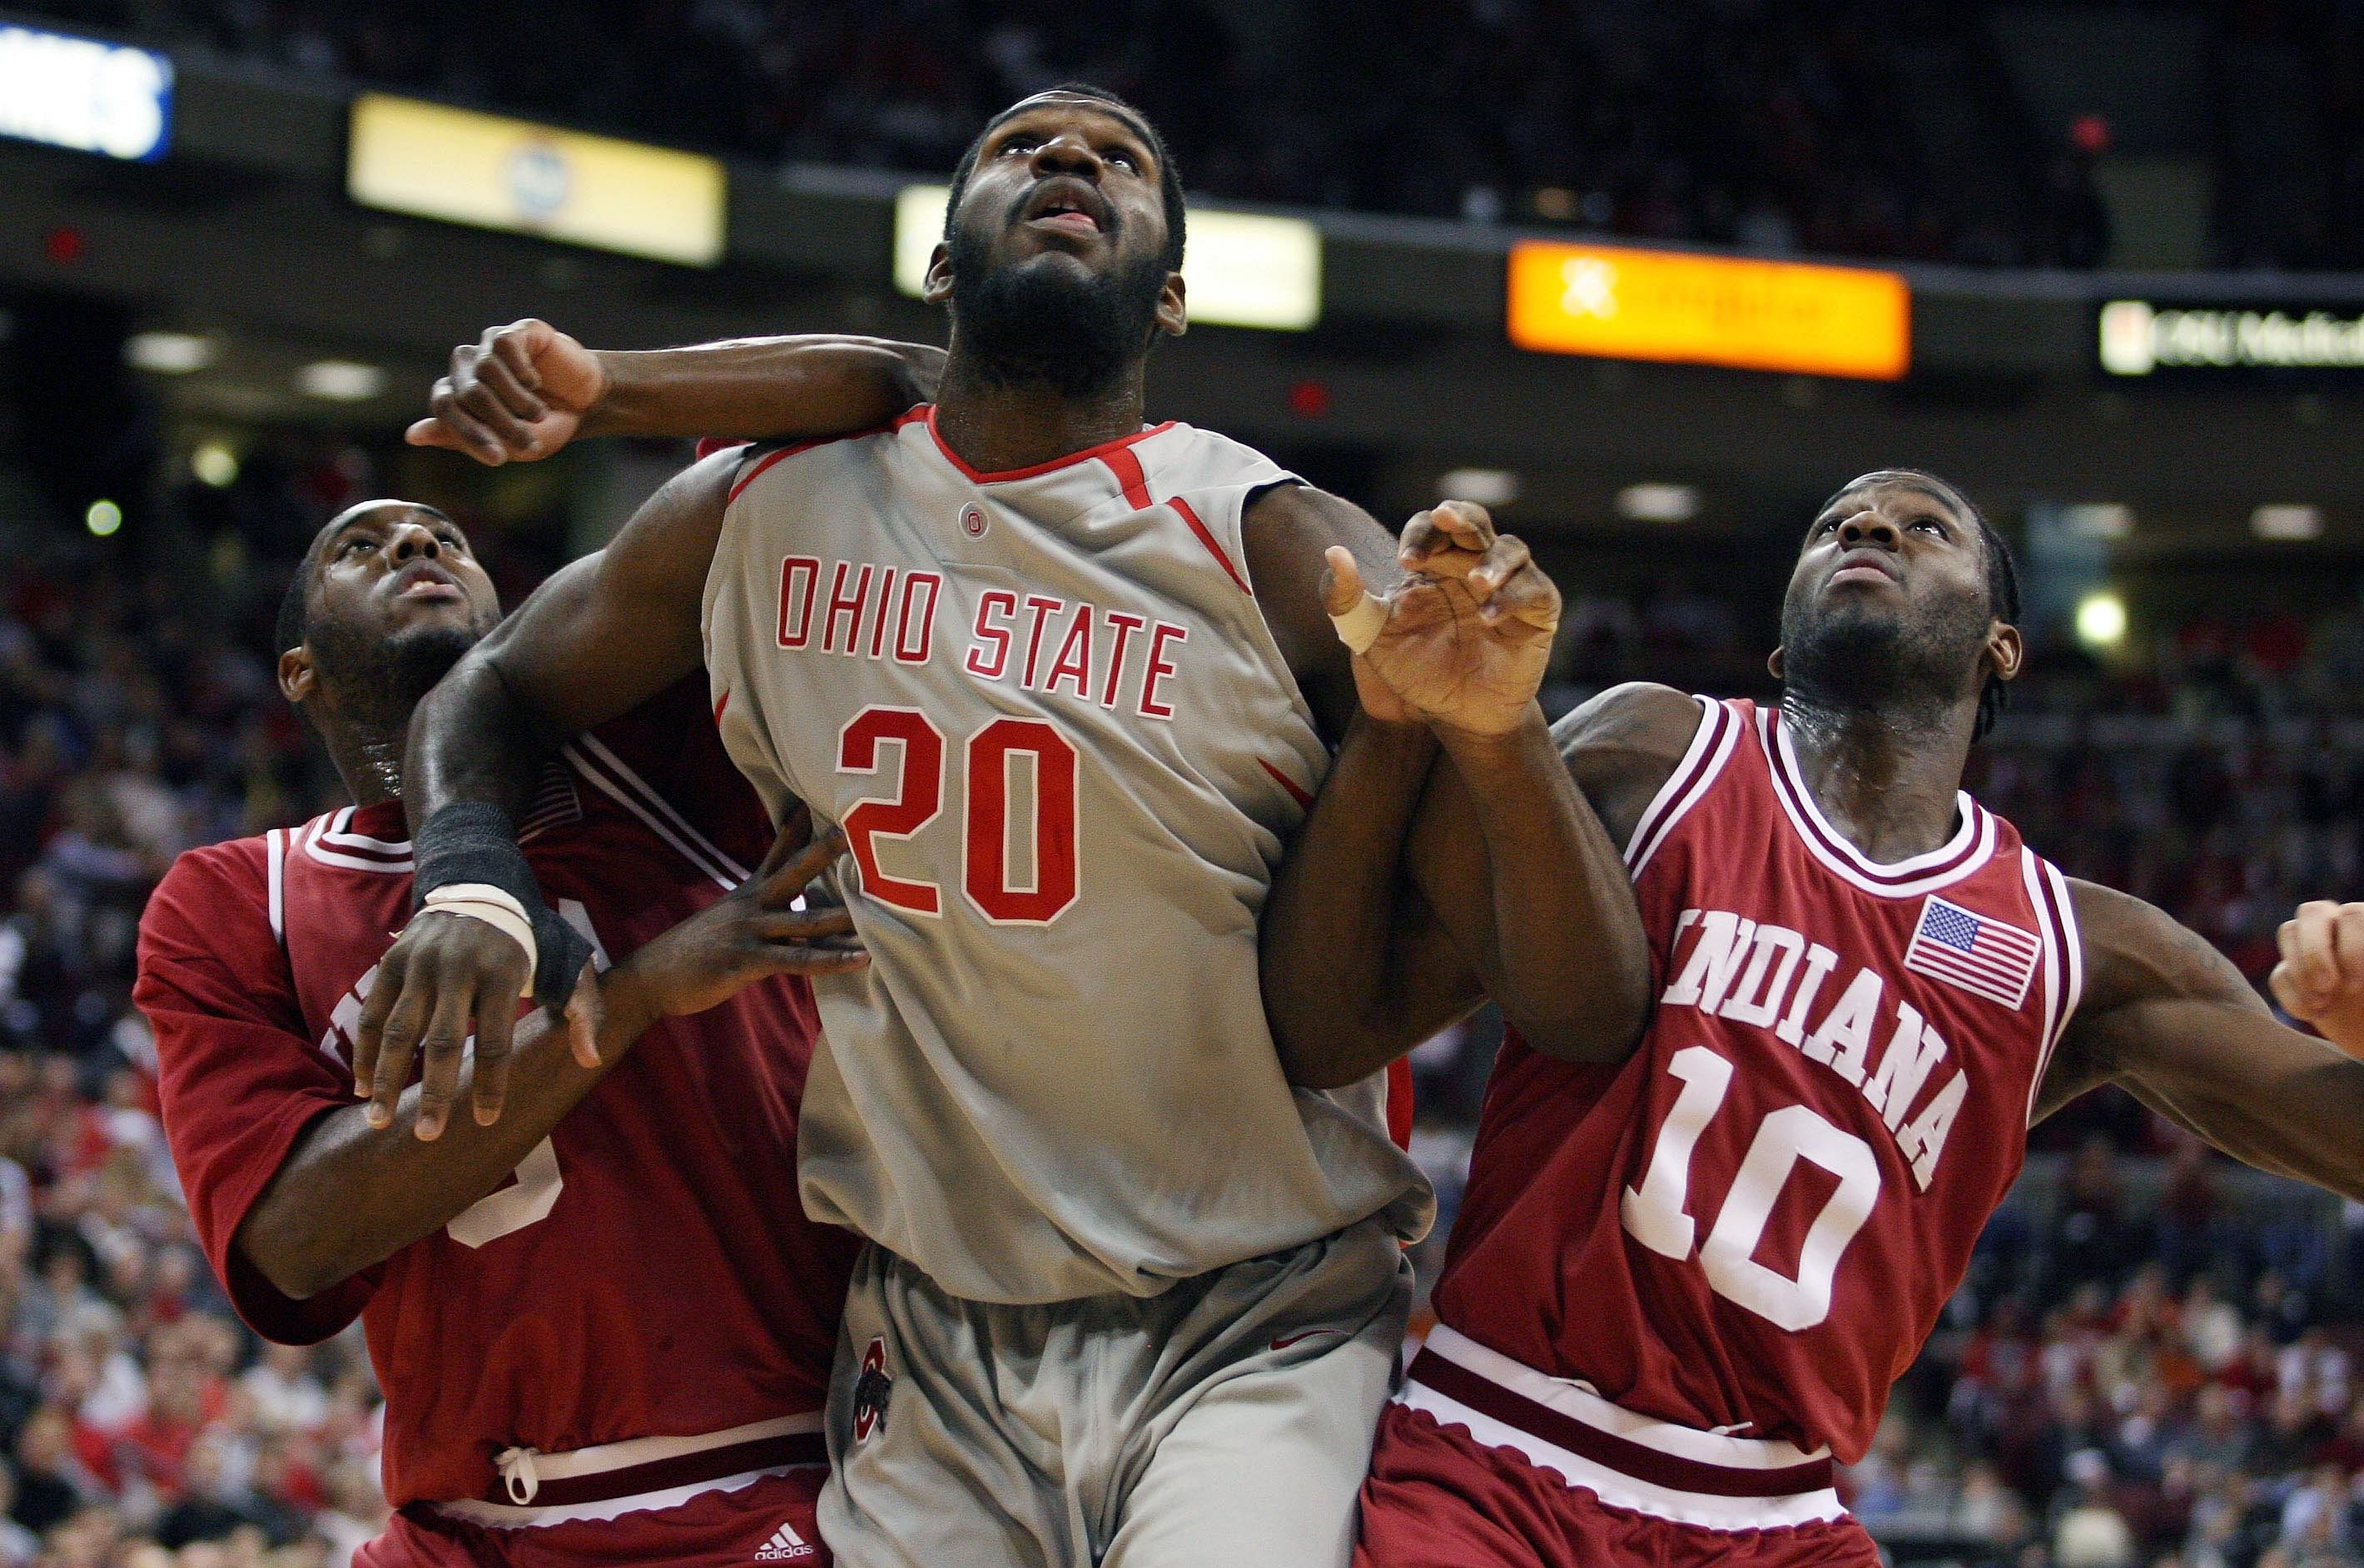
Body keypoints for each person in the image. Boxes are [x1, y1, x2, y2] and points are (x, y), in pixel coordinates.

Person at [373, 84, 1647, 1568]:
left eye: (1118, 161)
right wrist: (466, 881)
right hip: (931, 1330)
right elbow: (490, 689)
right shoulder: (762, 510)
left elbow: (1568, 985)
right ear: (941, 257)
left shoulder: (1272, 542)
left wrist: (1494, 742)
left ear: (1169, 294)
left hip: (1253, 1314)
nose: (1069, 163)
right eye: (1021, 148)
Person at [1262, 476, 2364, 1566]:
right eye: (1834, 525)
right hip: (1498, 1449)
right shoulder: (1657, 757)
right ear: (1785, 643)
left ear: (2002, 648)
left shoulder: (2085, 948)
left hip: (1772, 1514)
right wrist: (1399, 727)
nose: (1871, 527)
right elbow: (1338, 1023)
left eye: (1926, 528)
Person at [133, 492, 888, 1567]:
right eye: (361, 547)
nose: (417, 544)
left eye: (448, 537)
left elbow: (762, 491)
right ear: (299, 672)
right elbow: (292, 1244)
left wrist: (603, 390)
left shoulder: (666, 761)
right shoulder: (235, 901)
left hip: (773, 1474)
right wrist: (632, 995)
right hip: (469, 1524)